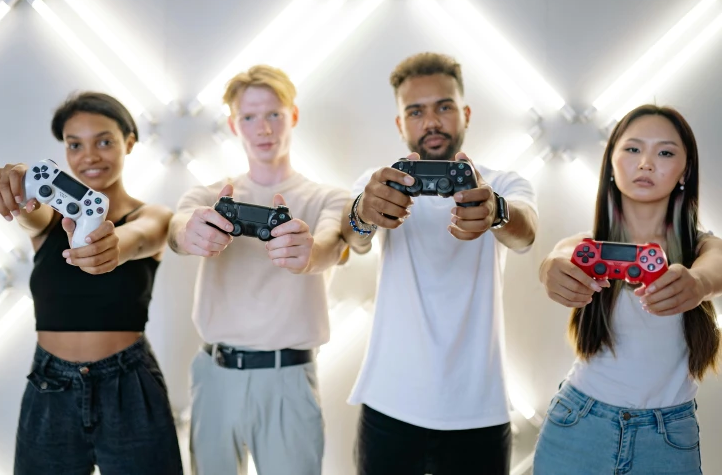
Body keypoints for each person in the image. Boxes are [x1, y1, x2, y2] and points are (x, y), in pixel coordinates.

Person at [342, 52, 539, 475]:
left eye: (443, 107)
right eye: (416, 111)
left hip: (479, 410)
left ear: (464, 113)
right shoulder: (379, 184)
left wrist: (495, 210)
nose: (431, 122)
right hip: (389, 403)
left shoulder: (501, 183)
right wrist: (364, 211)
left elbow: (525, 232)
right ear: (400, 124)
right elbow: (354, 239)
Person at [0, 92, 182, 475]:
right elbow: (30, 214)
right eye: (75, 145)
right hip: (50, 384)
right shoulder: (48, 220)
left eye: (104, 141)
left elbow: (139, 237)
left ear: (129, 142)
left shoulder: (153, 215)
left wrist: (111, 246)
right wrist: (18, 186)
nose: (89, 156)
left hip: (129, 384)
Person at [167, 65, 349, 475]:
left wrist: (307, 254)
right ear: (234, 125)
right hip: (215, 376)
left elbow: (330, 246)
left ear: (293, 116)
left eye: (273, 114)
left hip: (289, 377)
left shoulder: (328, 198)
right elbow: (178, 229)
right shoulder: (207, 195)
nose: (262, 128)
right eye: (249, 117)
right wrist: (189, 234)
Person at [533, 104, 722, 474]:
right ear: (611, 163)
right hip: (577, 424)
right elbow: (558, 257)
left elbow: (717, 267)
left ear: (685, 171)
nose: (646, 162)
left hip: (669, 436)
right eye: (633, 149)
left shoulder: (702, 249)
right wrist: (548, 270)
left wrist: (697, 284)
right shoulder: (585, 246)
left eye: (665, 152)